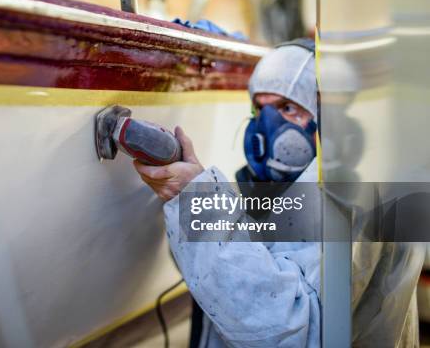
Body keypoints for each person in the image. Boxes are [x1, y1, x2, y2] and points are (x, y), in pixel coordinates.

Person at [132, 39, 424, 347]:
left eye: (288, 108)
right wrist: (199, 203)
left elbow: (285, 327)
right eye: (260, 108)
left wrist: (200, 202)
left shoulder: (351, 200)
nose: (266, 126)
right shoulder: (273, 189)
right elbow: (232, 277)